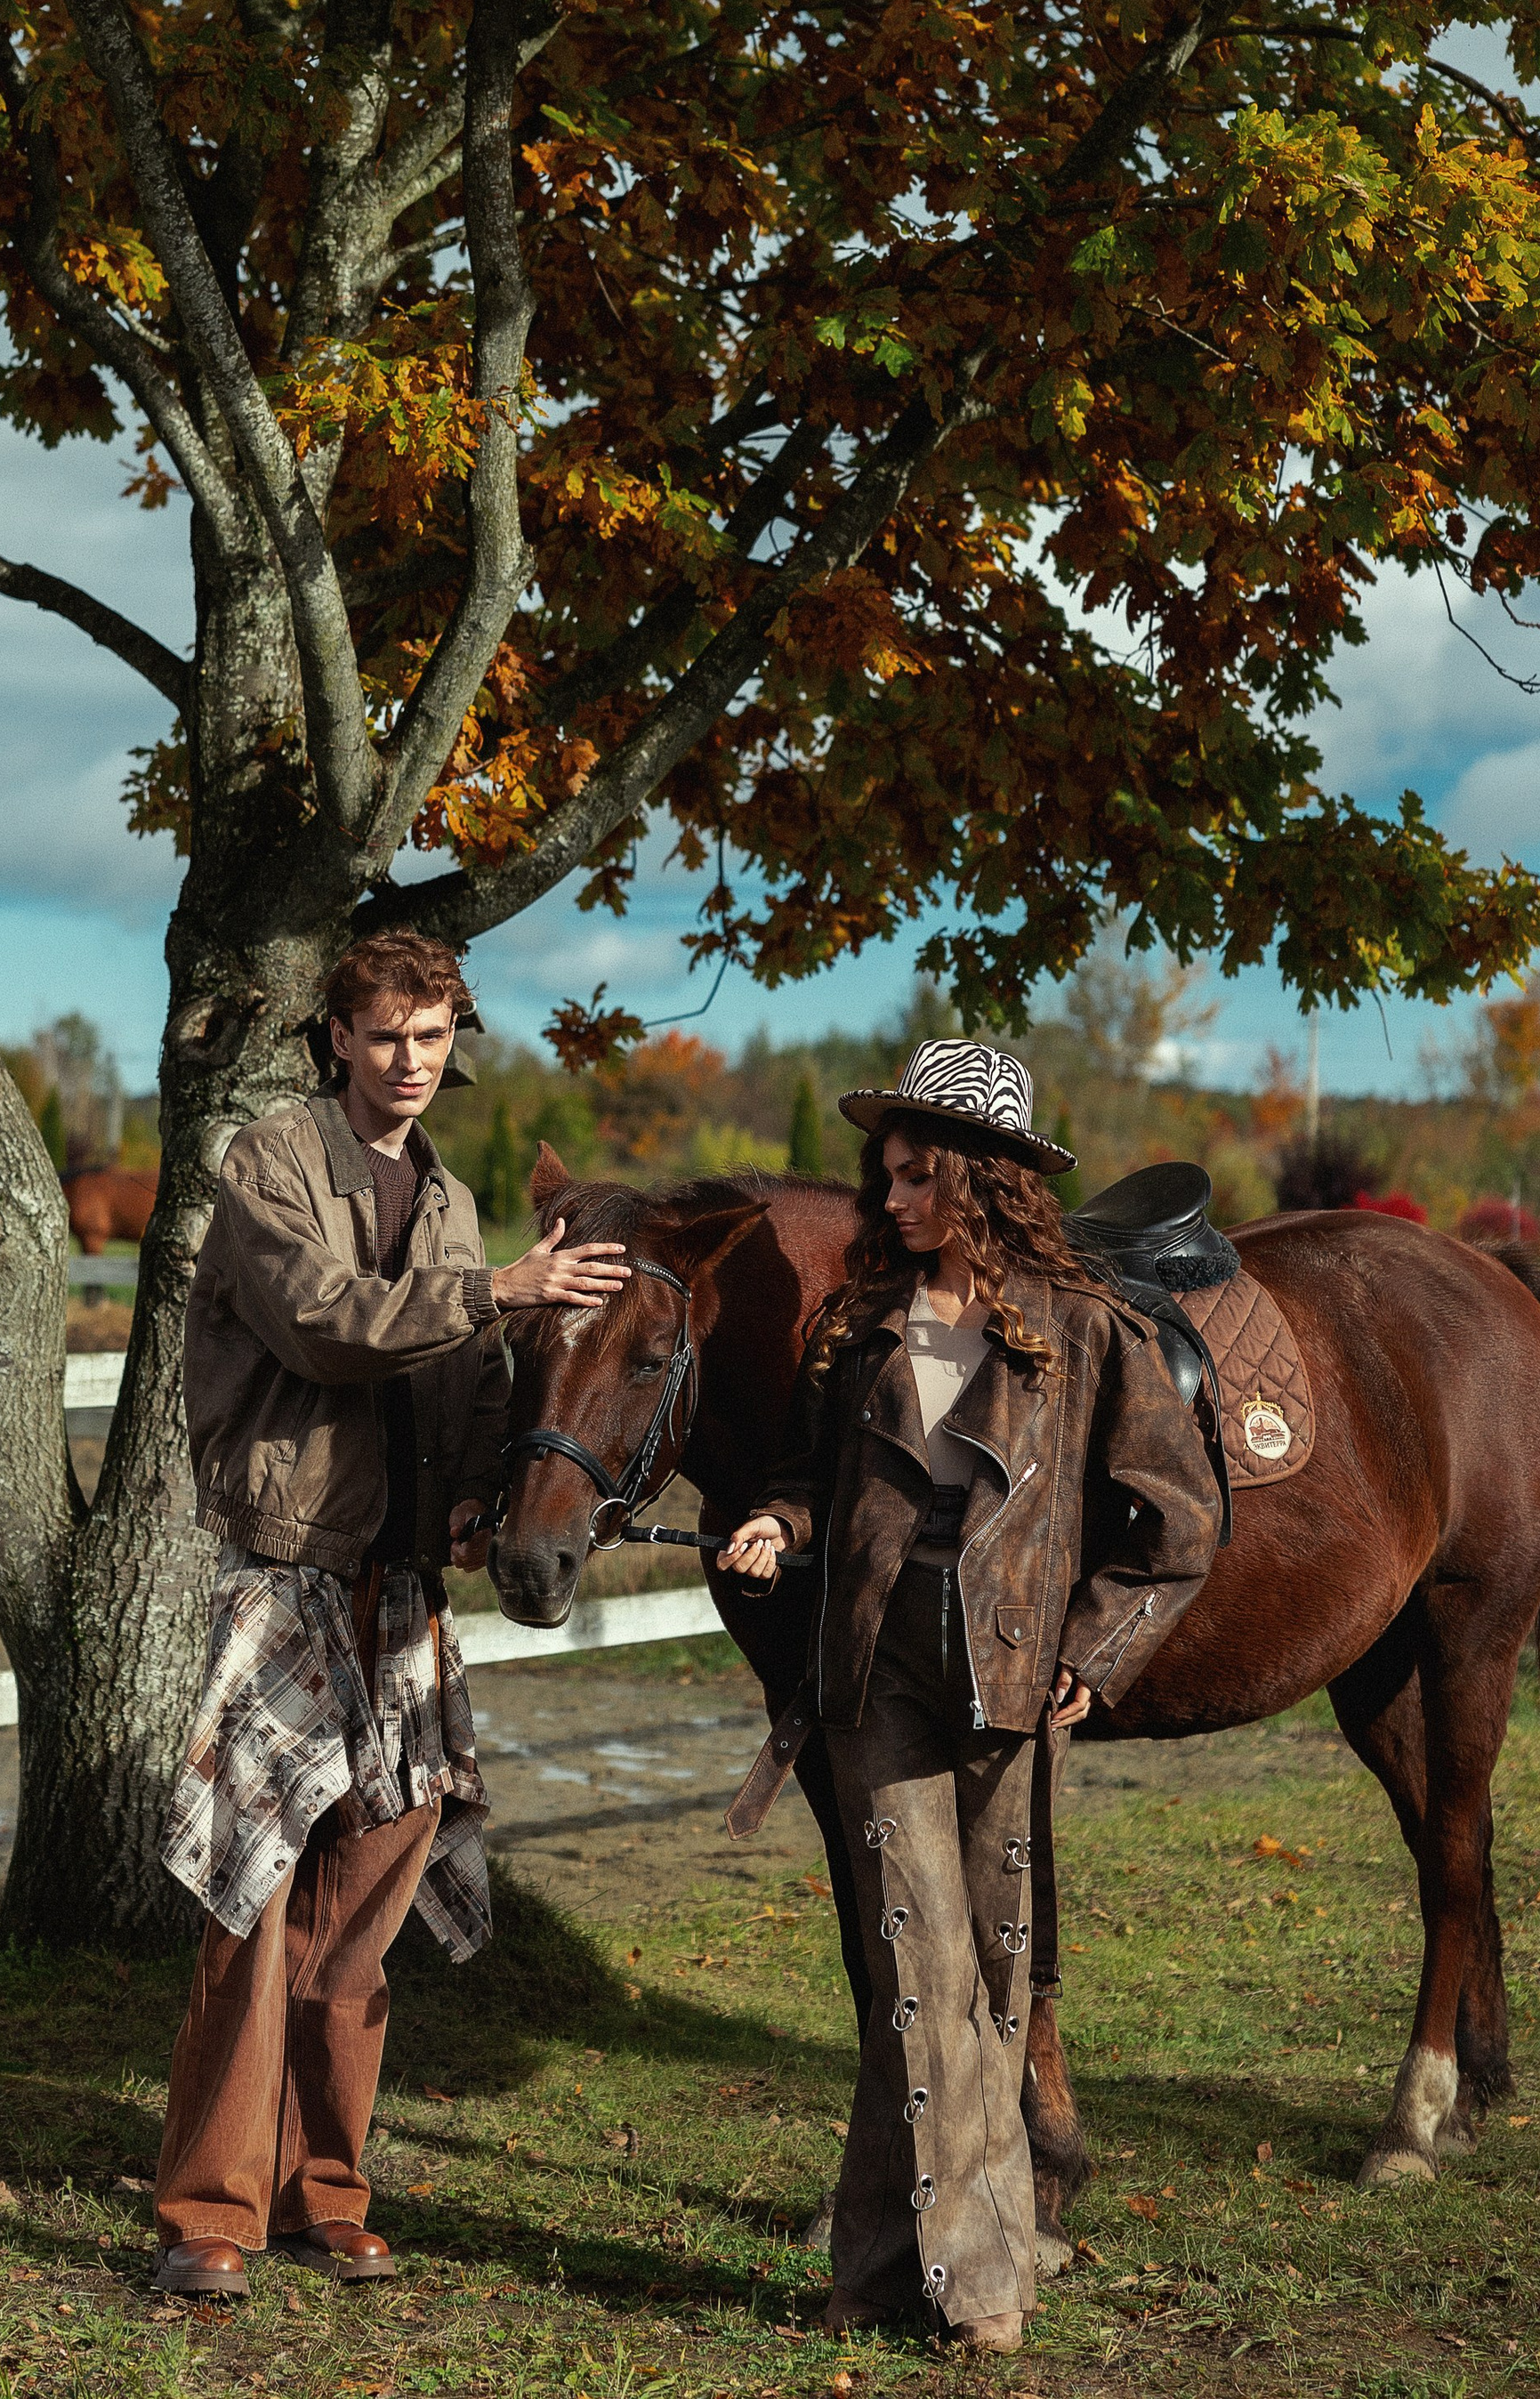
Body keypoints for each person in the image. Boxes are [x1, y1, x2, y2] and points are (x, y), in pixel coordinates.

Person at [719, 1038, 1222, 2356]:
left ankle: (877, 2272)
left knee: (993, 1967)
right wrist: (779, 1523)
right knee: (915, 1951)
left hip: (1008, 1679)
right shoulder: (857, 1328)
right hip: (874, 1668)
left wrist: (1094, 1651)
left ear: (983, 1181)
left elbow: (1180, 1523)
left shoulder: (1087, 1330)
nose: (889, 1200)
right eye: (885, 1176)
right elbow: (806, 1481)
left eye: (915, 1177)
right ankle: (984, 2284)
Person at [152, 928, 629, 2301]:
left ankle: (326, 2194)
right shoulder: (269, 1163)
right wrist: (500, 1288)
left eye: (431, 1036)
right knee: (252, 1896)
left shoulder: (453, 1198)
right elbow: (322, 1323)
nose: (410, 1060)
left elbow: (477, 1386)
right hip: (288, 1571)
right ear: (339, 1039)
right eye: (385, 1035)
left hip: (404, 1594)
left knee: (361, 1910)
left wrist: (478, 1492)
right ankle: (209, 2214)